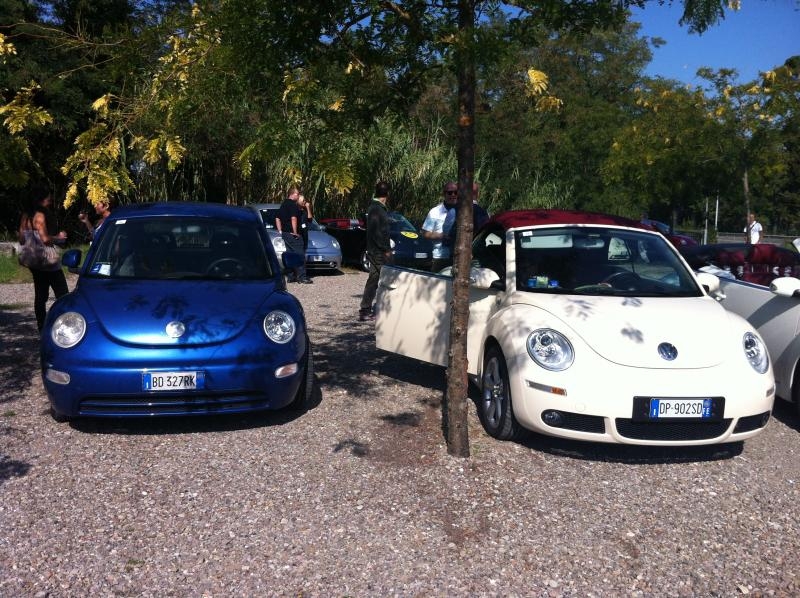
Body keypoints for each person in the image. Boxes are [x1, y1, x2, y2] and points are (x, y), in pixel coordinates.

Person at [18, 185, 69, 331]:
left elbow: (21, 239)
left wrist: (31, 239)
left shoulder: (25, 215)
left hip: (34, 262)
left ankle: (41, 326)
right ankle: (65, 325)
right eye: (48, 198)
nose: (50, 200)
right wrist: (59, 238)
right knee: (62, 294)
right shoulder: (40, 216)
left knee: (40, 295)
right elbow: (46, 239)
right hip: (47, 262)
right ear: (42, 200)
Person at [359, 181, 392, 321]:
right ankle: (366, 309)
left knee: (375, 277)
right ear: (387, 194)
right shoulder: (377, 209)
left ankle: (367, 309)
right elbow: (380, 232)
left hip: (374, 249)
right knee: (378, 278)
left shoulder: (375, 208)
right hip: (378, 250)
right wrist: (386, 250)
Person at [275, 187, 312, 283]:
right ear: (293, 194)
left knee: (290, 254)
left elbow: (277, 218)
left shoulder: (284, 204)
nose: (299, 195)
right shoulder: (292, 205)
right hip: (292, 234)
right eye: (298, 194)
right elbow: (293, 218)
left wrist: (280, 231)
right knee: (299, 254)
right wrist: (295, 232)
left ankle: (290, 276)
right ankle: (302, 277)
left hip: (286, 234)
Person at [422, 181, 459, 272]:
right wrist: (441, 236)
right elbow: (425, 233)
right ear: (444, 194)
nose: (453, 195)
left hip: (458, 257)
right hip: (440, 257)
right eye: (450, 193)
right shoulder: (435, 211)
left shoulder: (463, 212)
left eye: (456, 192)